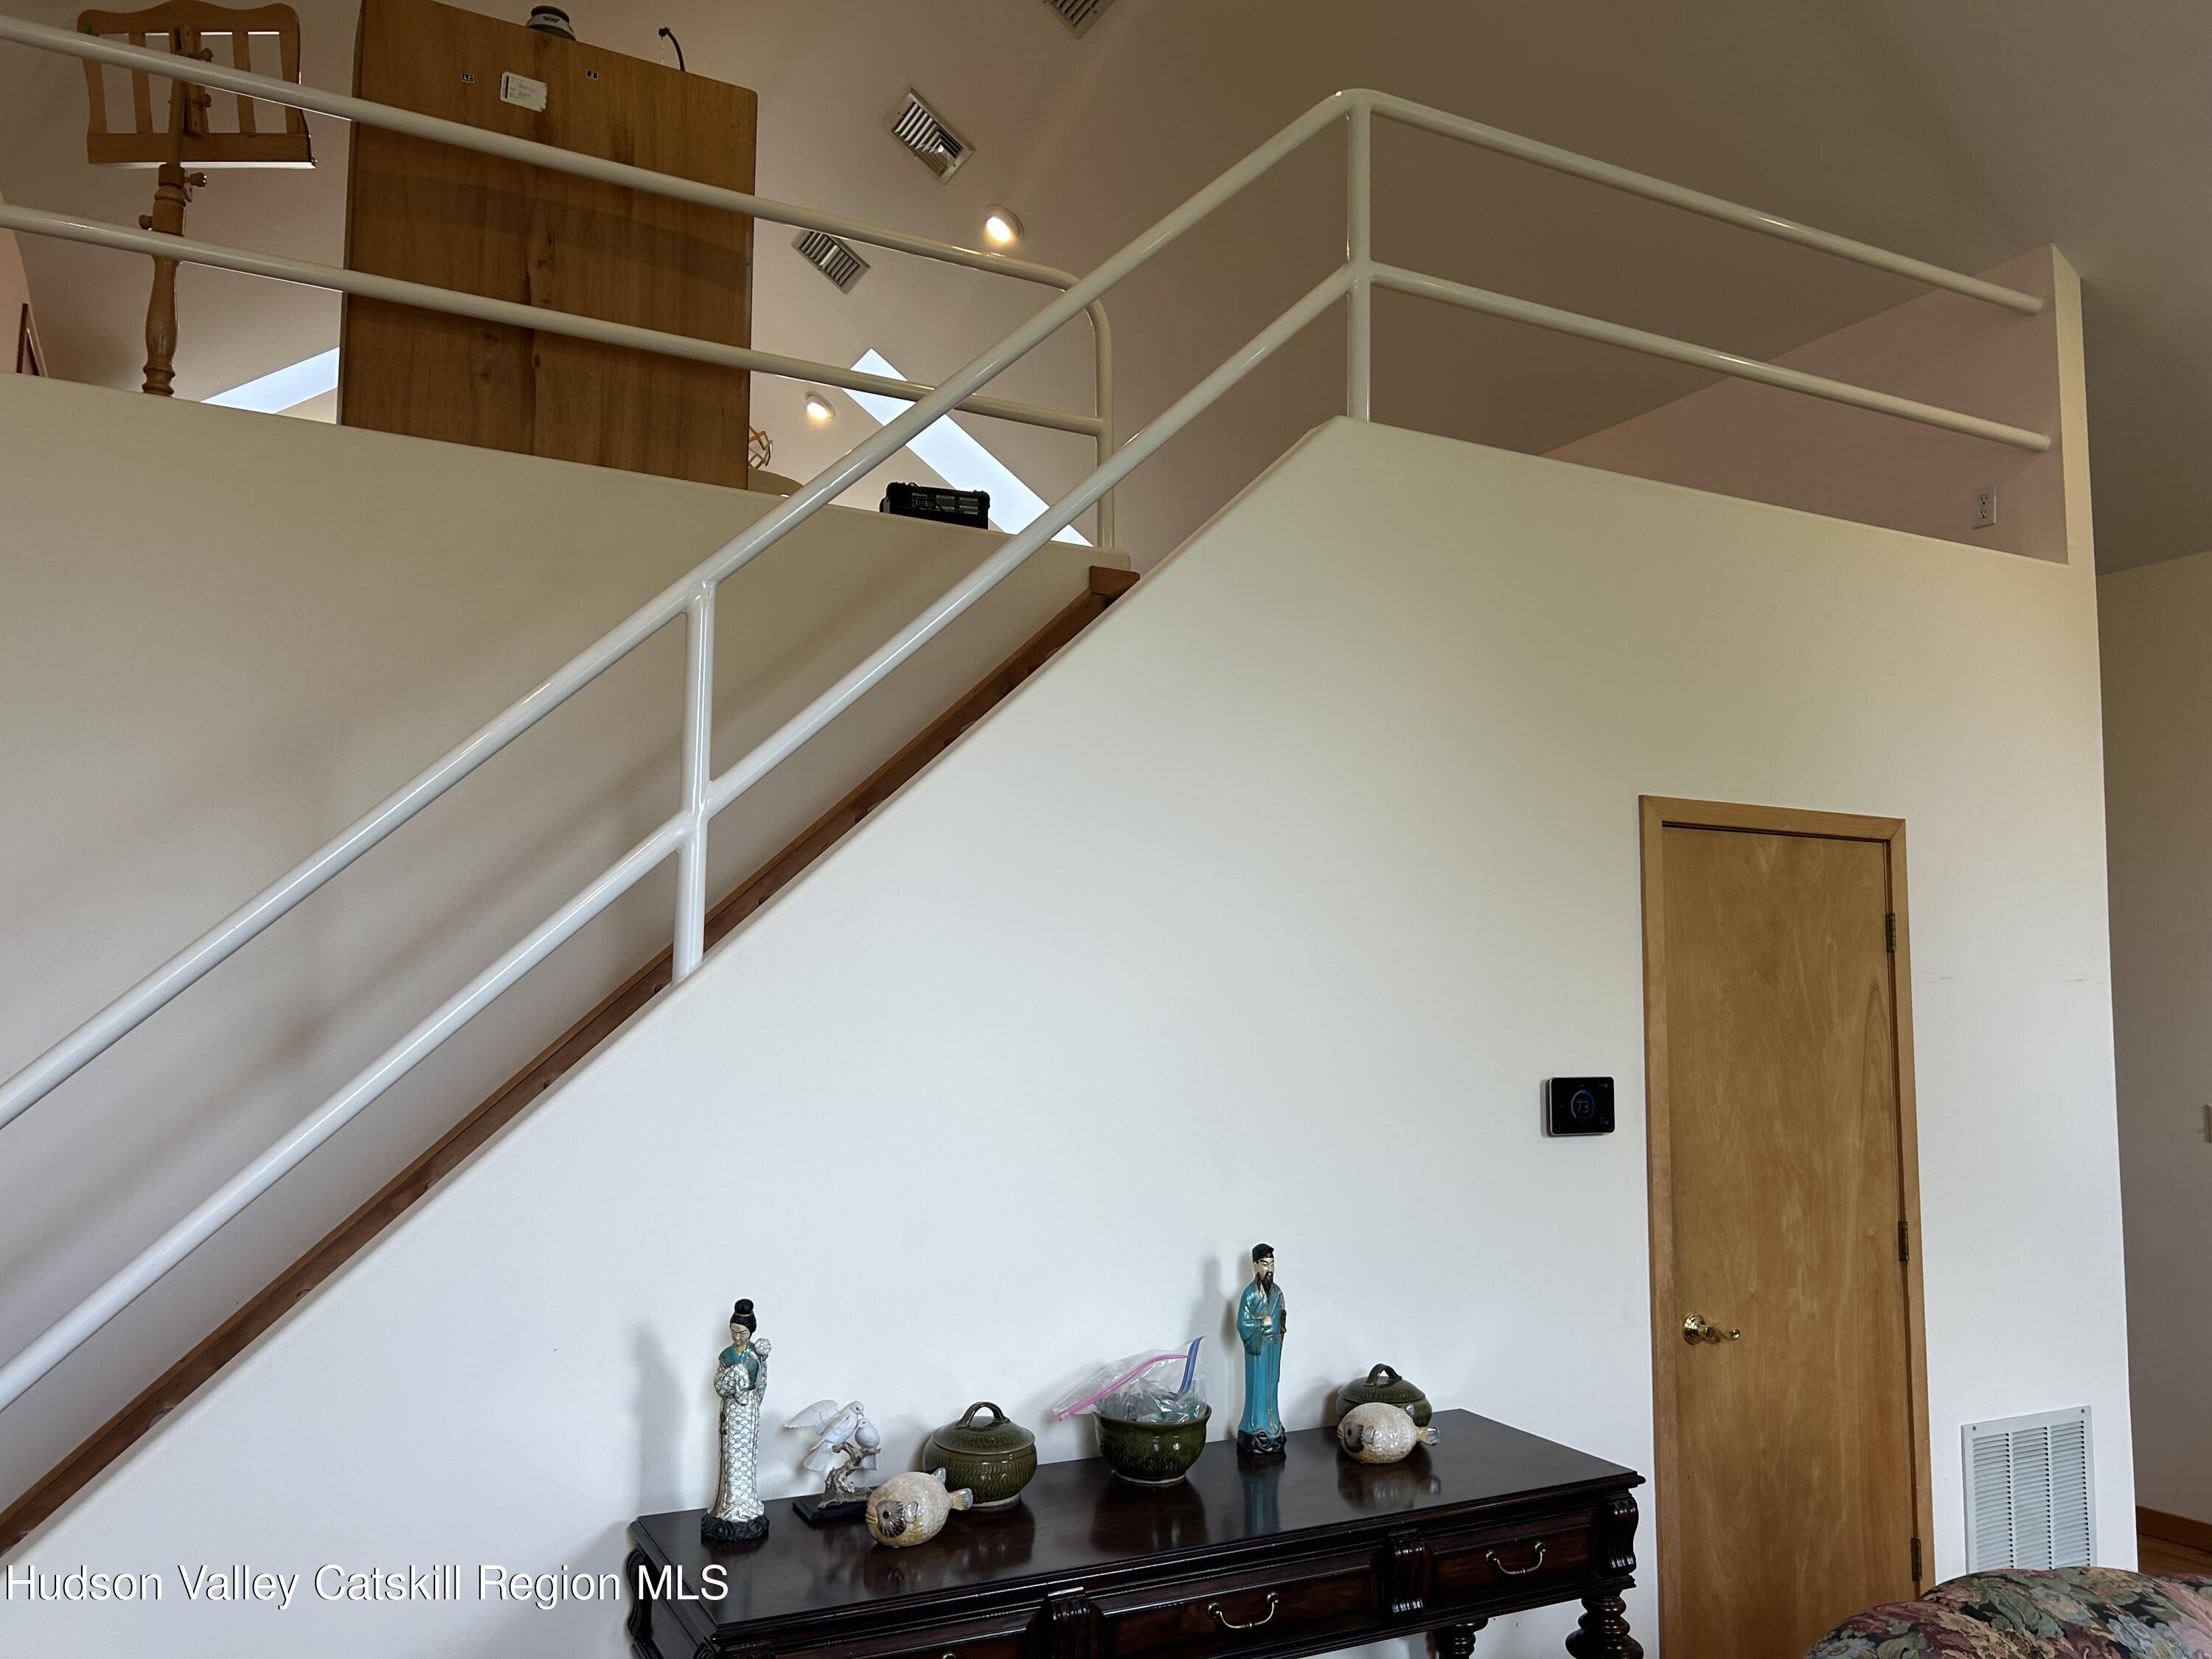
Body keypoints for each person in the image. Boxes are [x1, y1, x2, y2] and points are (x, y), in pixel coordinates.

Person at [703, 1298, 771, 1543]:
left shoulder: (756, 1353)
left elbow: (761, 1382)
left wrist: (763, 1361)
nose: (738, 1337)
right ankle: (728, 1503)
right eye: (734, 1332)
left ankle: (747, 1502)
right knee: (731, 1454)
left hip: (749, 1409)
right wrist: (735, 1376)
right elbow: (719, 1385)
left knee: (747, 1456)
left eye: (742, 1333)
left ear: (750, 1331)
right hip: (732, 1408)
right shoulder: (726, 1355)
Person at [1236, 1244, 1287, 1455]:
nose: (1270, 1269)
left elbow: (1282, 1318)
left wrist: (1279, 1327)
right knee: (1258, 1387)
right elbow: (1242, 1323)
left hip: (1273, 1347)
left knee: (1271, 1387)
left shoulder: (1277, 1292)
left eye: (1272, 1263)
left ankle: (1273, 1425)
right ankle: (1254, 1428)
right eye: (1265, 1264)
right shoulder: (1249, 1294)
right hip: (1257, 1349)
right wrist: (1260, 1325)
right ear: (1256, 1265)